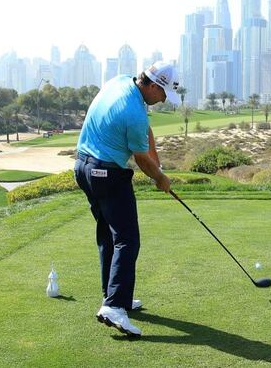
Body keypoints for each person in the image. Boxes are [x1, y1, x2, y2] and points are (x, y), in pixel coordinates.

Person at [74, 61, 180, 337]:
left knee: (108, 236)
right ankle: (115, 306)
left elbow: (145, 135)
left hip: (83, 168)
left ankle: (114, 295)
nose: (164, 100)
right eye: (164, 94)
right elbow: (141, 160)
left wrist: (158, 163)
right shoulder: (134, 113)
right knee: (127, 239)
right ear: (154, 86)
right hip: (107, 173)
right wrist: (160, 178)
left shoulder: (121, 81)